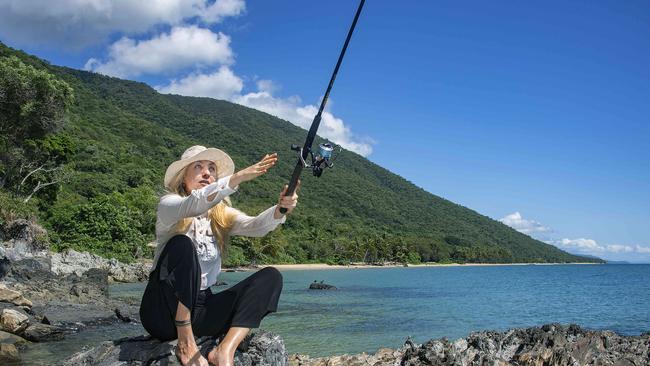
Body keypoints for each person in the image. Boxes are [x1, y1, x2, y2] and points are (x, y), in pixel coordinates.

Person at [139, 145, 299, 366]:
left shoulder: (220, 215)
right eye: (198, 167)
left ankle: (225, 350)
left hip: (202, 309)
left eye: (212, 169)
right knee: (182, 244)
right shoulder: (169, 205)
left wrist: (280, 209)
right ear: (183, 178)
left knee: (271, 277)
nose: (207, 173)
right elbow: (194, 203)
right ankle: (185, 343)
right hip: (162, 311)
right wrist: (239, 178)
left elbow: (255, 226)